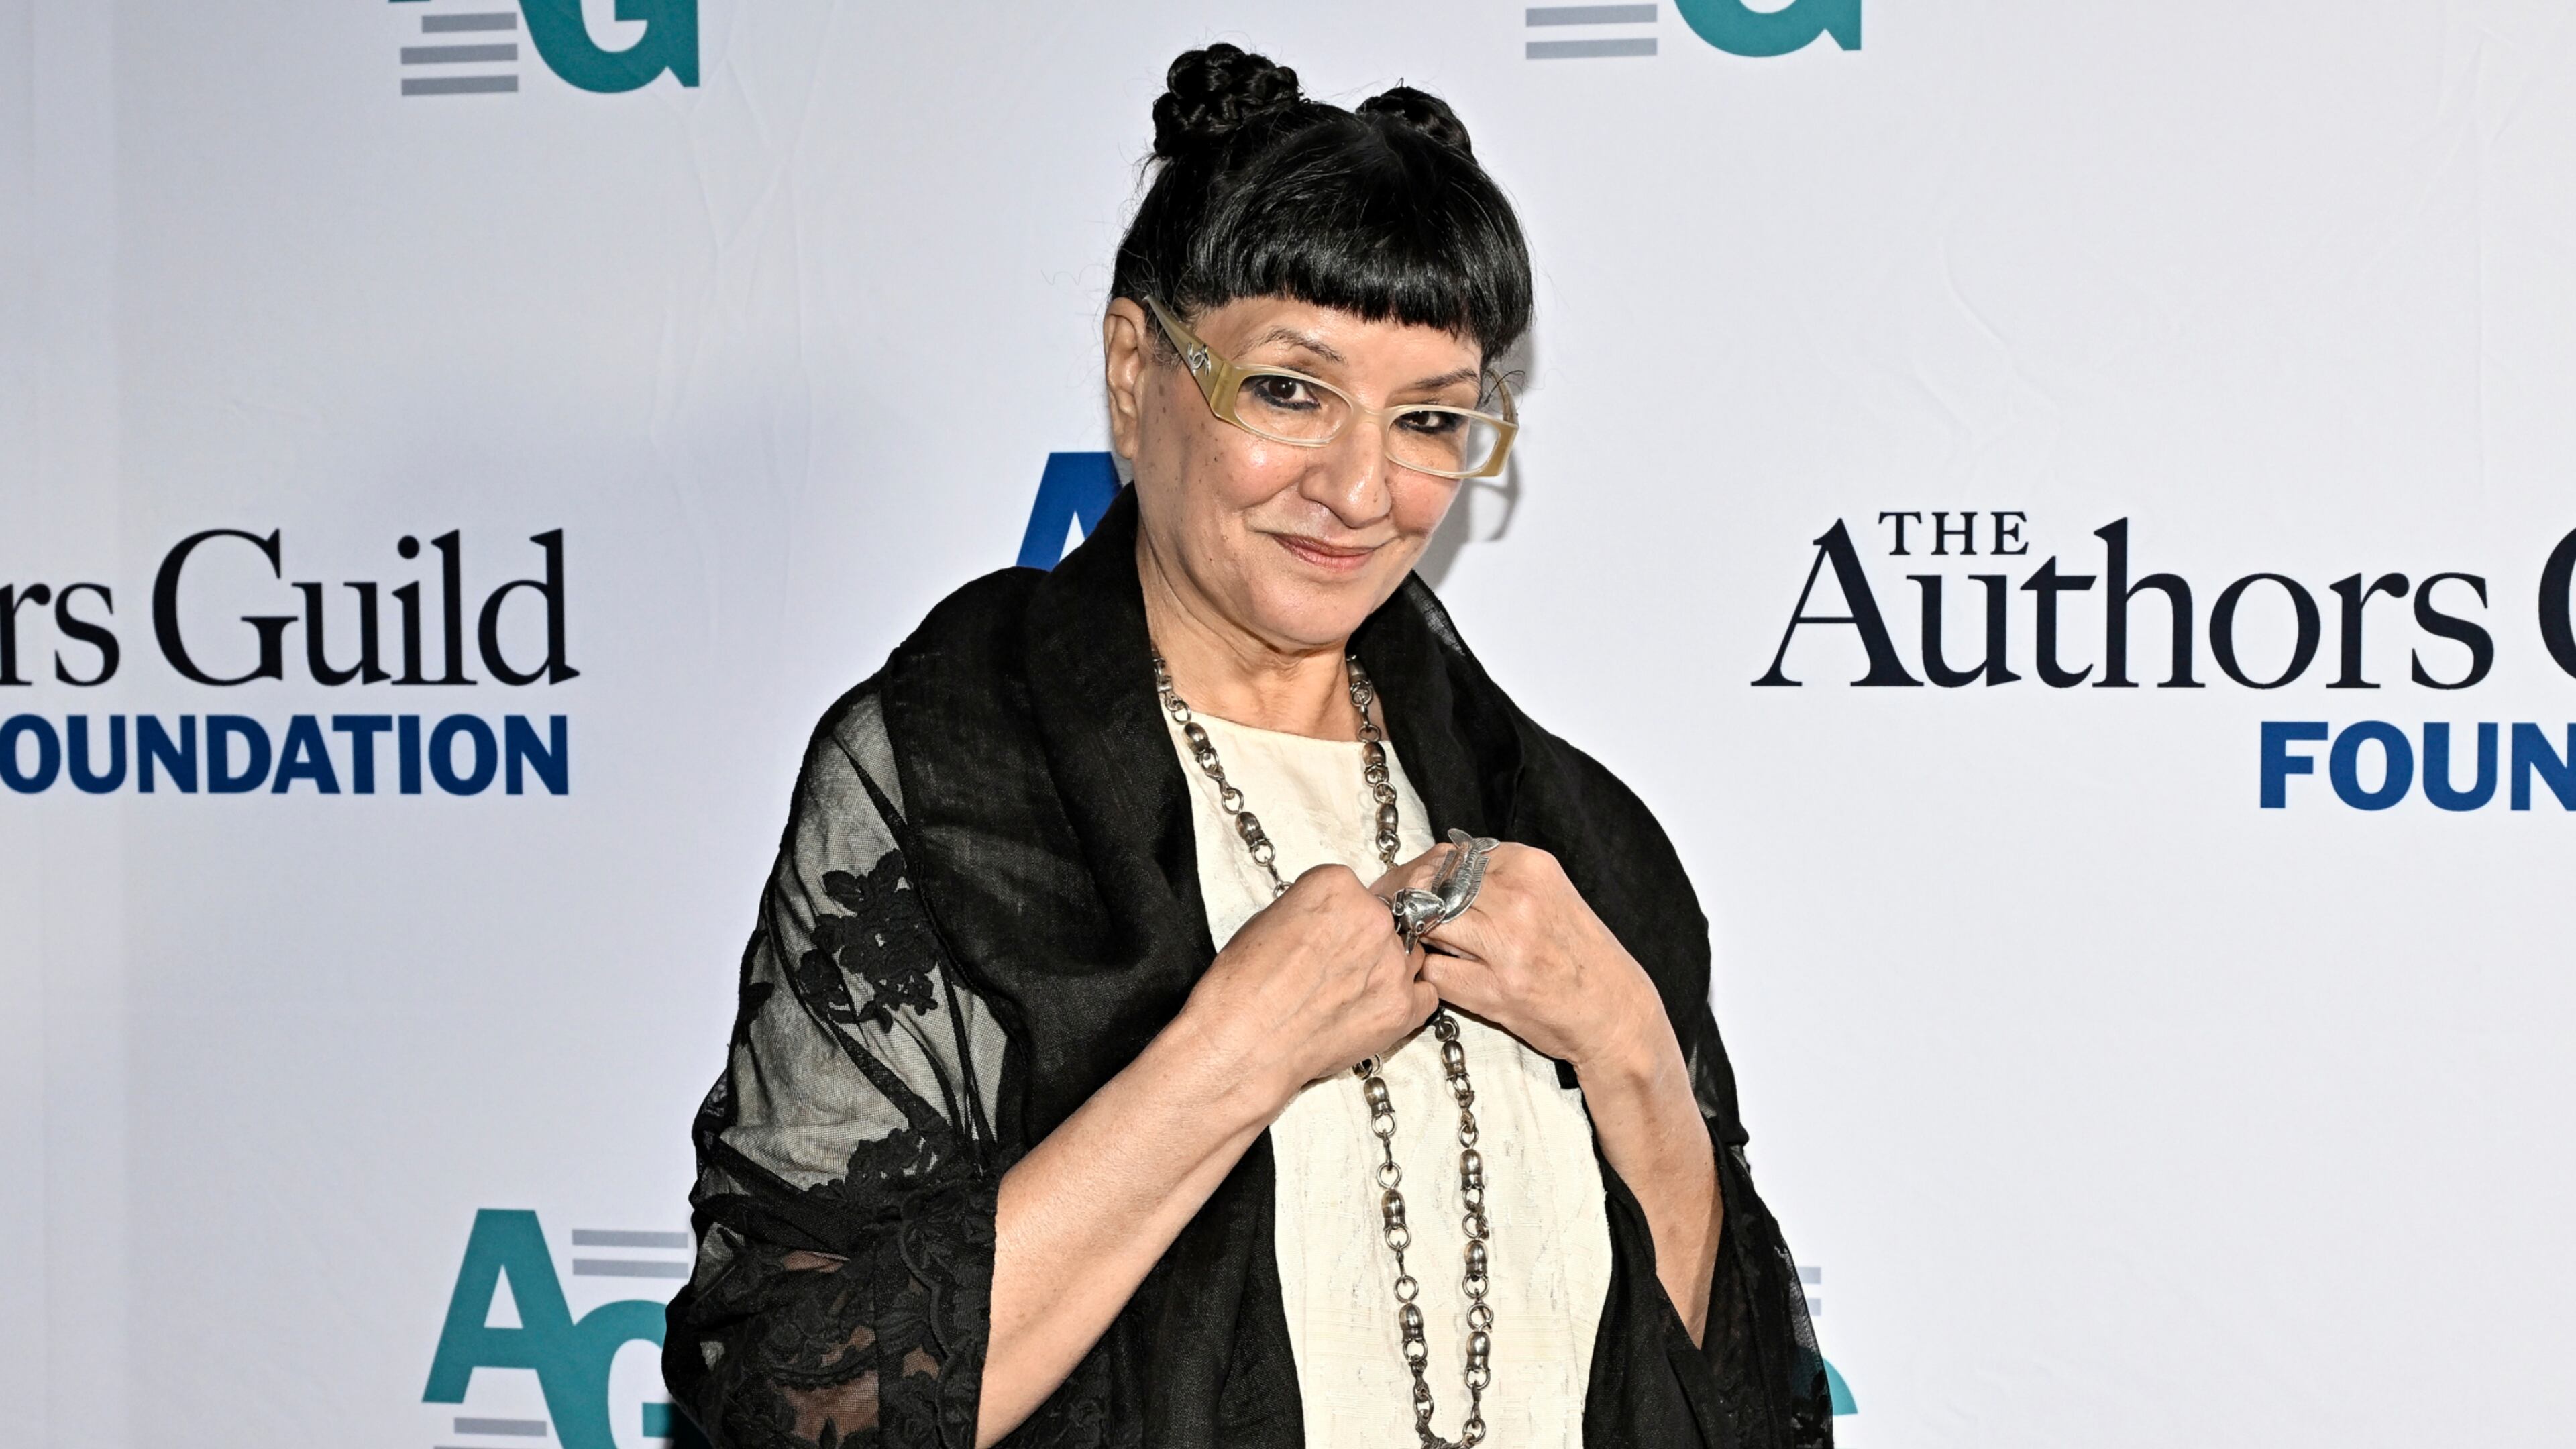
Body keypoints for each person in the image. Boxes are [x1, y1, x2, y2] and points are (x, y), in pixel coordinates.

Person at [664, 42, 1830, 1449]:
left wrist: (1635, 1054)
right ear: (1132, 366)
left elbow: (1764, 1414)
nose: (1359, 487)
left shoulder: (1567, 826)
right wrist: (1225, 1056)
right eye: (1290, 390)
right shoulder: (953, 779)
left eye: (1430, 420)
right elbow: (788, 1404)